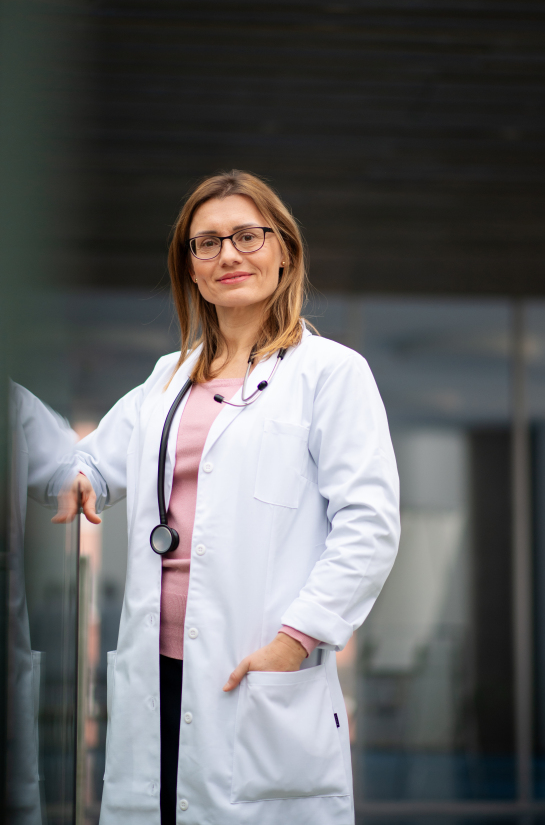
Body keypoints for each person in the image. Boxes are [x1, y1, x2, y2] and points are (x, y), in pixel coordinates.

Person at [54, 170, 400, 825]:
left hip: (255, 666)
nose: (227, 256)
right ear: (189, 267)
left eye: (247, 236)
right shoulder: (169, 377)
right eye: (206, 243)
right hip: (156, 671)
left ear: (284, 251)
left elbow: (370, 525)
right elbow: (93, 462)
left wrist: (294, 641)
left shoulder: (330, 374)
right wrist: (79, 480)